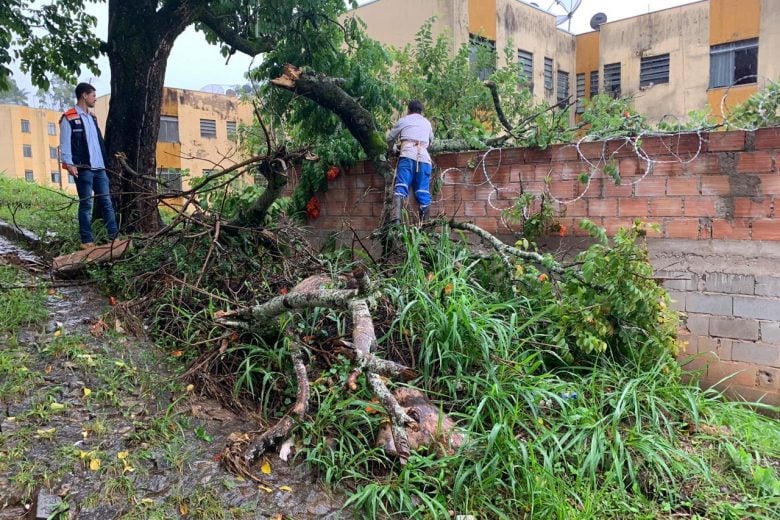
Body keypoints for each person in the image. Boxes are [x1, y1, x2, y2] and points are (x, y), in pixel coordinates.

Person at [60, 83, 118, 249]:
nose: (94, 99)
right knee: (86, 204)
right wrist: (70, 164)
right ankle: (87, 241)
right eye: (93, 95)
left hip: (99, 168)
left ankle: (113, 237)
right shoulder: (69, 117)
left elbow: (97, 142)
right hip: (83, 167)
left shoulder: (92, 117)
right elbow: (65, 143)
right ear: (84, 95)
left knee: (107, 202)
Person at [386, 99, 434, 223]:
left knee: (401, 187)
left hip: (407, 156)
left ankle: (396, 223)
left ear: (408, 110)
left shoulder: (404, 120)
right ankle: (425, 227)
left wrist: (392, 149)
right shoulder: (427, 123)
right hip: (424, 159)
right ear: (421, 111)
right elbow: (431, 142)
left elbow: (390, 138)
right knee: (423, 191)